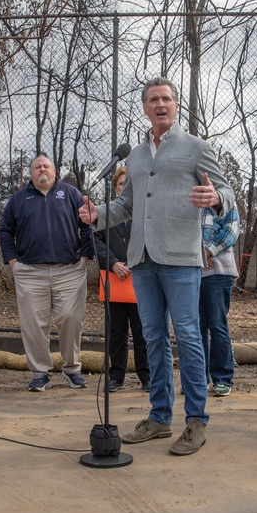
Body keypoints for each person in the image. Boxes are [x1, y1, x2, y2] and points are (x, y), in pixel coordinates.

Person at [79, 77, 235, 456]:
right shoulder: (134, 156)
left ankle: (196, 421)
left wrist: (216, 197)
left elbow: (228, 192)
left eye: (166, 98)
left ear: (175, 105)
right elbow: (127, 206)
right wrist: (98, 214)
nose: (160, 104)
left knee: (188, 335)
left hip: (182, 258)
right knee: (153, 337)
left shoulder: (197, 147)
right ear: (145, 107)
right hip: (141, 260)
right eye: (153, 99)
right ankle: (160, 417)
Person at [0, 155, 93, 392]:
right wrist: (13, 263)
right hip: (29, 271)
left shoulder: (71, 193)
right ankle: (40, 372)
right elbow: (5, 231)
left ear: (54, 171)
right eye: (37, 166)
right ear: (31, 173)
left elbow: (87, 225)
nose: (42, 169)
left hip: (69, 270)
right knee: (33, 323)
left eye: (46, 166)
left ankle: (72, 369)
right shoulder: (18, 199)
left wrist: (84, 258)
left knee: (71, 318)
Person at [93, 166, 150, 393]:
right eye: (120, 185)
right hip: (114, 280)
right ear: (115, 188)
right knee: (116, 331)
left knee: (142, 331)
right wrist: (113, 262)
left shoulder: (146, 211)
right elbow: (95, 240)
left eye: (129, 185)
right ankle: (116, 376)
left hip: (141, 279)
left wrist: (136, 262)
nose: (124, 188)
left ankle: (147, 377)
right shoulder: (106, 212)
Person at [200, 205, 239, 397]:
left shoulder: (226, 200)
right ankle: (198, 378)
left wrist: (206, 252)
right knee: (195, 328)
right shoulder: (187, 198)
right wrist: (196, 256)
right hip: (192, 272)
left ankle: (222, 379)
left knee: (217, 325)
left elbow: (231, 232)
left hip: (219, 272)